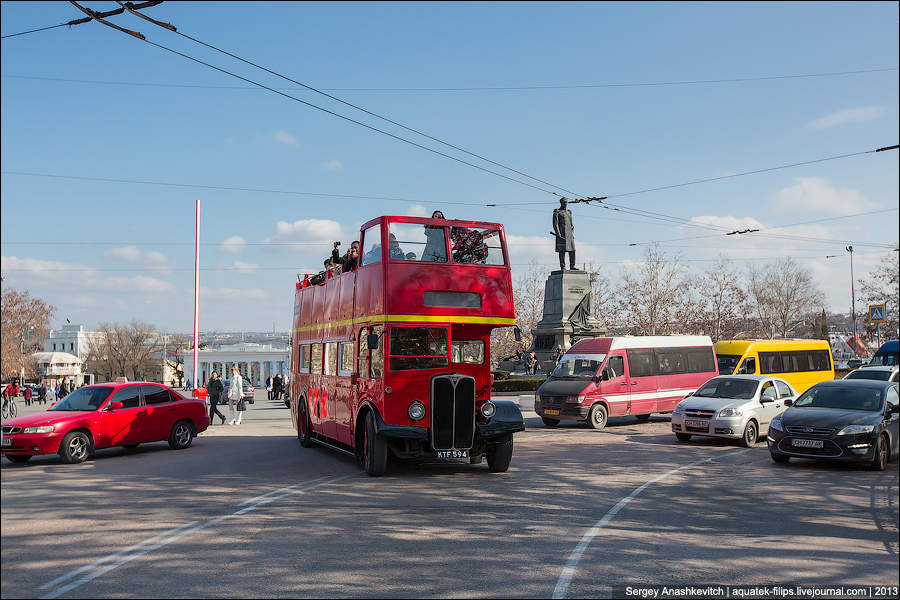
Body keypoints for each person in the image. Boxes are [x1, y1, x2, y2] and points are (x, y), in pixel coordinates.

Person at [552, 197, 576, 270]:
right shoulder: (557, 212)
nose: (565, 204)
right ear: (561, 203)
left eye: (566, 202)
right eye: (564, 202)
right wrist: (558, 233)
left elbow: (571, 224)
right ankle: (563, 266)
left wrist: (572, 233)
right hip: (561, 234)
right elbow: (555, 224)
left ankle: (572, 266)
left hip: (569, 235)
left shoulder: (569, 212)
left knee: (572, 251)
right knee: (562, 251)